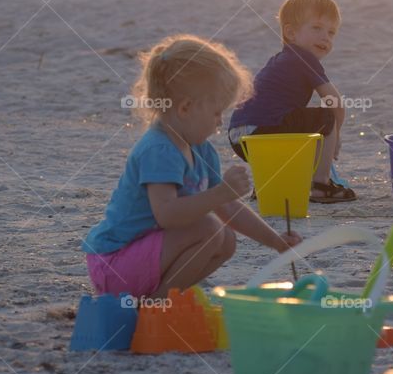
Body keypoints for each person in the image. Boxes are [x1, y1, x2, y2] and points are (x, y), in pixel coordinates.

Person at [82, 34, 302, 299]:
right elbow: (167, 214)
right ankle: (157, 305)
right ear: (186, 107)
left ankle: (162, 298)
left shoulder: (201, 149)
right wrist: (221, 193)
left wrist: (276, 242)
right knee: (208, 228)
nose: (220, 123)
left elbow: (228, 208)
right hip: (115, 265)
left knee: (226, 240)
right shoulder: (159, 149)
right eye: (216, 112)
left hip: (148, 258)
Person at [228, 0, 356, 203]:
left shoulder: (280, 60)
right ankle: (321, 185)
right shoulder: (304, 58)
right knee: (326, 118)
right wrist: (335, 137)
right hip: (264, 132)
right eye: (316, 28)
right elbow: (335, 103)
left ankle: (270, 183)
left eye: (331, 32)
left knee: (303, 130)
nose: (325, 37)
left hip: (239, 137)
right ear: (291, 33)